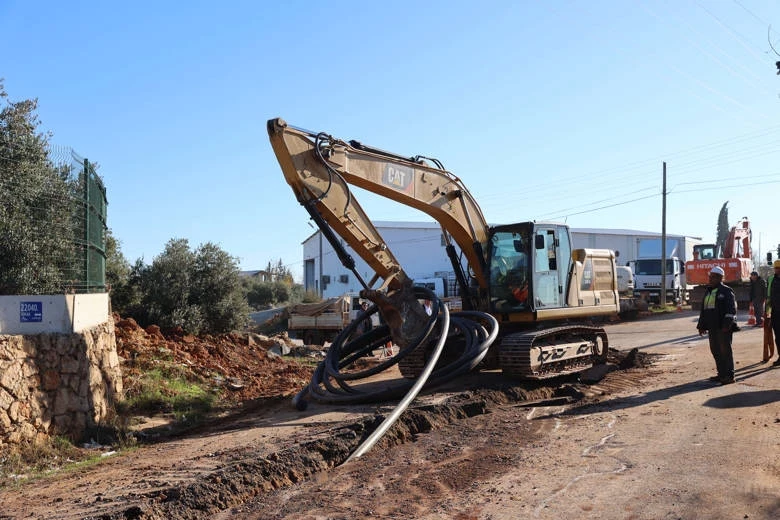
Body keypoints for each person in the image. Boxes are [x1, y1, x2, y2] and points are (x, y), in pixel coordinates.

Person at [696, 266, 738, 384]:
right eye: (710, 276)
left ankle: (729, 376)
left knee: (725, 351)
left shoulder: (726, 291)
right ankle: (722, 374)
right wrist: (701, 326)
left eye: (713, 277)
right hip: (712, 327)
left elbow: (731, 309)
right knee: (715, 350)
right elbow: (704, 311)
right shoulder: (708, 291)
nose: (710, 279)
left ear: (720, 278)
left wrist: (727, 324)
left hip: (723, 327)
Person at [765, 260, 780, 366]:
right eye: (776, 268)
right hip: (776, 312)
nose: (777, 270)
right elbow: (769, 297)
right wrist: (767, 313)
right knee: (778, 336)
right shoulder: (771, 279)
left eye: (779, 268)